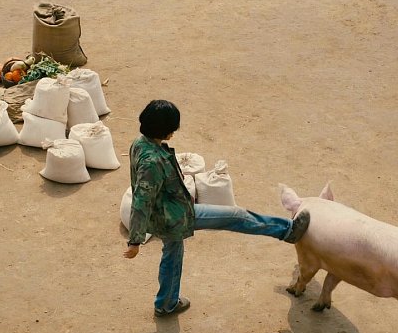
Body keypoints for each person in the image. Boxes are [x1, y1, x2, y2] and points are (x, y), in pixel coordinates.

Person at [122, 99, 310, 317]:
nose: (173, 134)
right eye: (171, 129)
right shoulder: (152, 162)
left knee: (172, 258)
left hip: (170, 212)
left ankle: (166, 304)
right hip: (174, 218)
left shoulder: (140, 143)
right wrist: (135, 241)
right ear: (162, 129)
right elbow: (141, 201)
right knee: (235, 216)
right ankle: (288, 230)